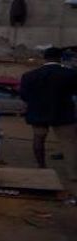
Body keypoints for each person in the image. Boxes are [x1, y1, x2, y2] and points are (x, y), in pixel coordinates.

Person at [20, 47, 77, 180]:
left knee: (39, 139)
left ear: (44, 58)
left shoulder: (29, 75)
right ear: (60, 58)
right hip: (63, 113)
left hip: (38, 113)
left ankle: (42, 167)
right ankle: (73, 173)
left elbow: (24, 96)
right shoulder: (70, 74)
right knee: (69, 143)